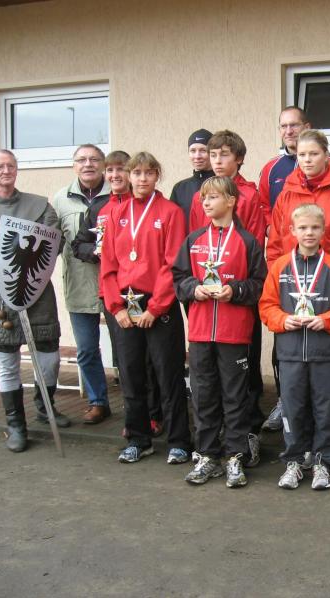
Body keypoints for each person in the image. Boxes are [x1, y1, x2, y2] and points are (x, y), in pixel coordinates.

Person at [265, 129, 330, 461]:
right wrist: (279, 280)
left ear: (326, 155)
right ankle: (299, 449)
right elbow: (276, 244)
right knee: (293, 380)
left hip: (328, 294)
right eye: (302, 155)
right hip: (290, 291)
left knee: (329, 382)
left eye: (314, 154)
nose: (307, 160)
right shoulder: (286, 193)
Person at [0, 150, 65, 451]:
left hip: (35, 287)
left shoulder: (39, 205)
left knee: (49, 357)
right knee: (7, 363)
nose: (6, 171)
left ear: (17, 170)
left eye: (11, 166)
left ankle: (44, 407)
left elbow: (55, 241)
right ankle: (15, 424)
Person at [174, 176, 266, 487]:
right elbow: (179, 277)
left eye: (213, 197)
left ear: (231, 201)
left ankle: (235, 456)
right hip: (200, 333)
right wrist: (194, 289)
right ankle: (207, 456)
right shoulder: (194, 239)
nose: (206, 203)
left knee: (235, 397)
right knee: (203, 396)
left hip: (234, 333)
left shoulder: (247, 242)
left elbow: (259, 284)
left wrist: (235, 290)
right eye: (204, 198)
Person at [100, 151, 192, 464]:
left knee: (169, 375)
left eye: (148, 173)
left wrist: (156, 307)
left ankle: (179, 441)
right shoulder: (117, 213)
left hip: (159, 306)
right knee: (131, 375)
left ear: (156, 176)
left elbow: (173, 263)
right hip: (126, 305)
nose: (142, 179)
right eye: (136, 173)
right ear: (128, 176)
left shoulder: (170, 212)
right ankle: (139, 440)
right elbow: (108, 264)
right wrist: (116, 308)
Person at [259, 203, 330, 490]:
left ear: (324, 230)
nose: (309, 233)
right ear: (292, 230)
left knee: (325, 411)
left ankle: (323, 462)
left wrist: (326, 320)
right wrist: (282, 319)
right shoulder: (280, 267)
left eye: (315, 227)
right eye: (303, 227)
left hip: (325, 355)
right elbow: (266, 306)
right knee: (292, 410)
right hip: (290, 355)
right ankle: (293, 461)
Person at [53, 144, 113, 427]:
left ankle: (141, 405)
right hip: (78, 285)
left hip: (116, 284)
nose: (88, 164)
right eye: (81, 160)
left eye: (94, 159)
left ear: (103, 164)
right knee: (87, 349)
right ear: (73, 165)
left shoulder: (117, 192)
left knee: (127, 349)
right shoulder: (60, 200)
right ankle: (98, 401)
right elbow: (52, 243)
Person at [71, 149, 131, 424]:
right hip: (109, 289)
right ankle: (122, 410)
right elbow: (78, 244)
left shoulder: (142, 203)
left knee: (136, 357)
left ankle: (150, 413)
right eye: (111, 170)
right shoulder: (99, 208)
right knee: (117, 353)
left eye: (122, 169)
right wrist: (97, 251)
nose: (116, 175)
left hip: (138, 290)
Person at [258, 106, 330, 221]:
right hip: (285, 232)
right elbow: (262, 205)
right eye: (283, 126)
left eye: (294, 125)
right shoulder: (270, 168)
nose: (288, 131)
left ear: (307, 127)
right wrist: (269, 226)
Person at [170, 129, 214, 224]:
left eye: (203, 150)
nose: (197, 156)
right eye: (193, 151)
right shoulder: (179, 188)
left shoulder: (223, 184)